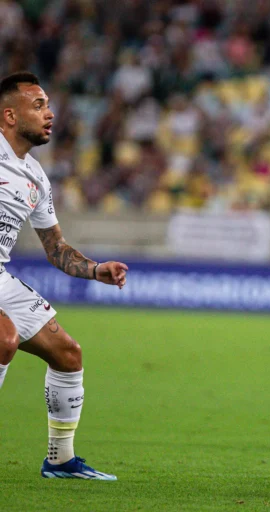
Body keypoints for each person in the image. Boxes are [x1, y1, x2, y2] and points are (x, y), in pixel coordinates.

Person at [0, 72, 128, 480]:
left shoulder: (35, 176)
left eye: (48, 105)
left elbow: (55, 247)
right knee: (3, 338)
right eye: (37, 105)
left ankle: (60, 460)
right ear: (8, 115)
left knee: (68, 354)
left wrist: (94, 270)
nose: (49, 114)